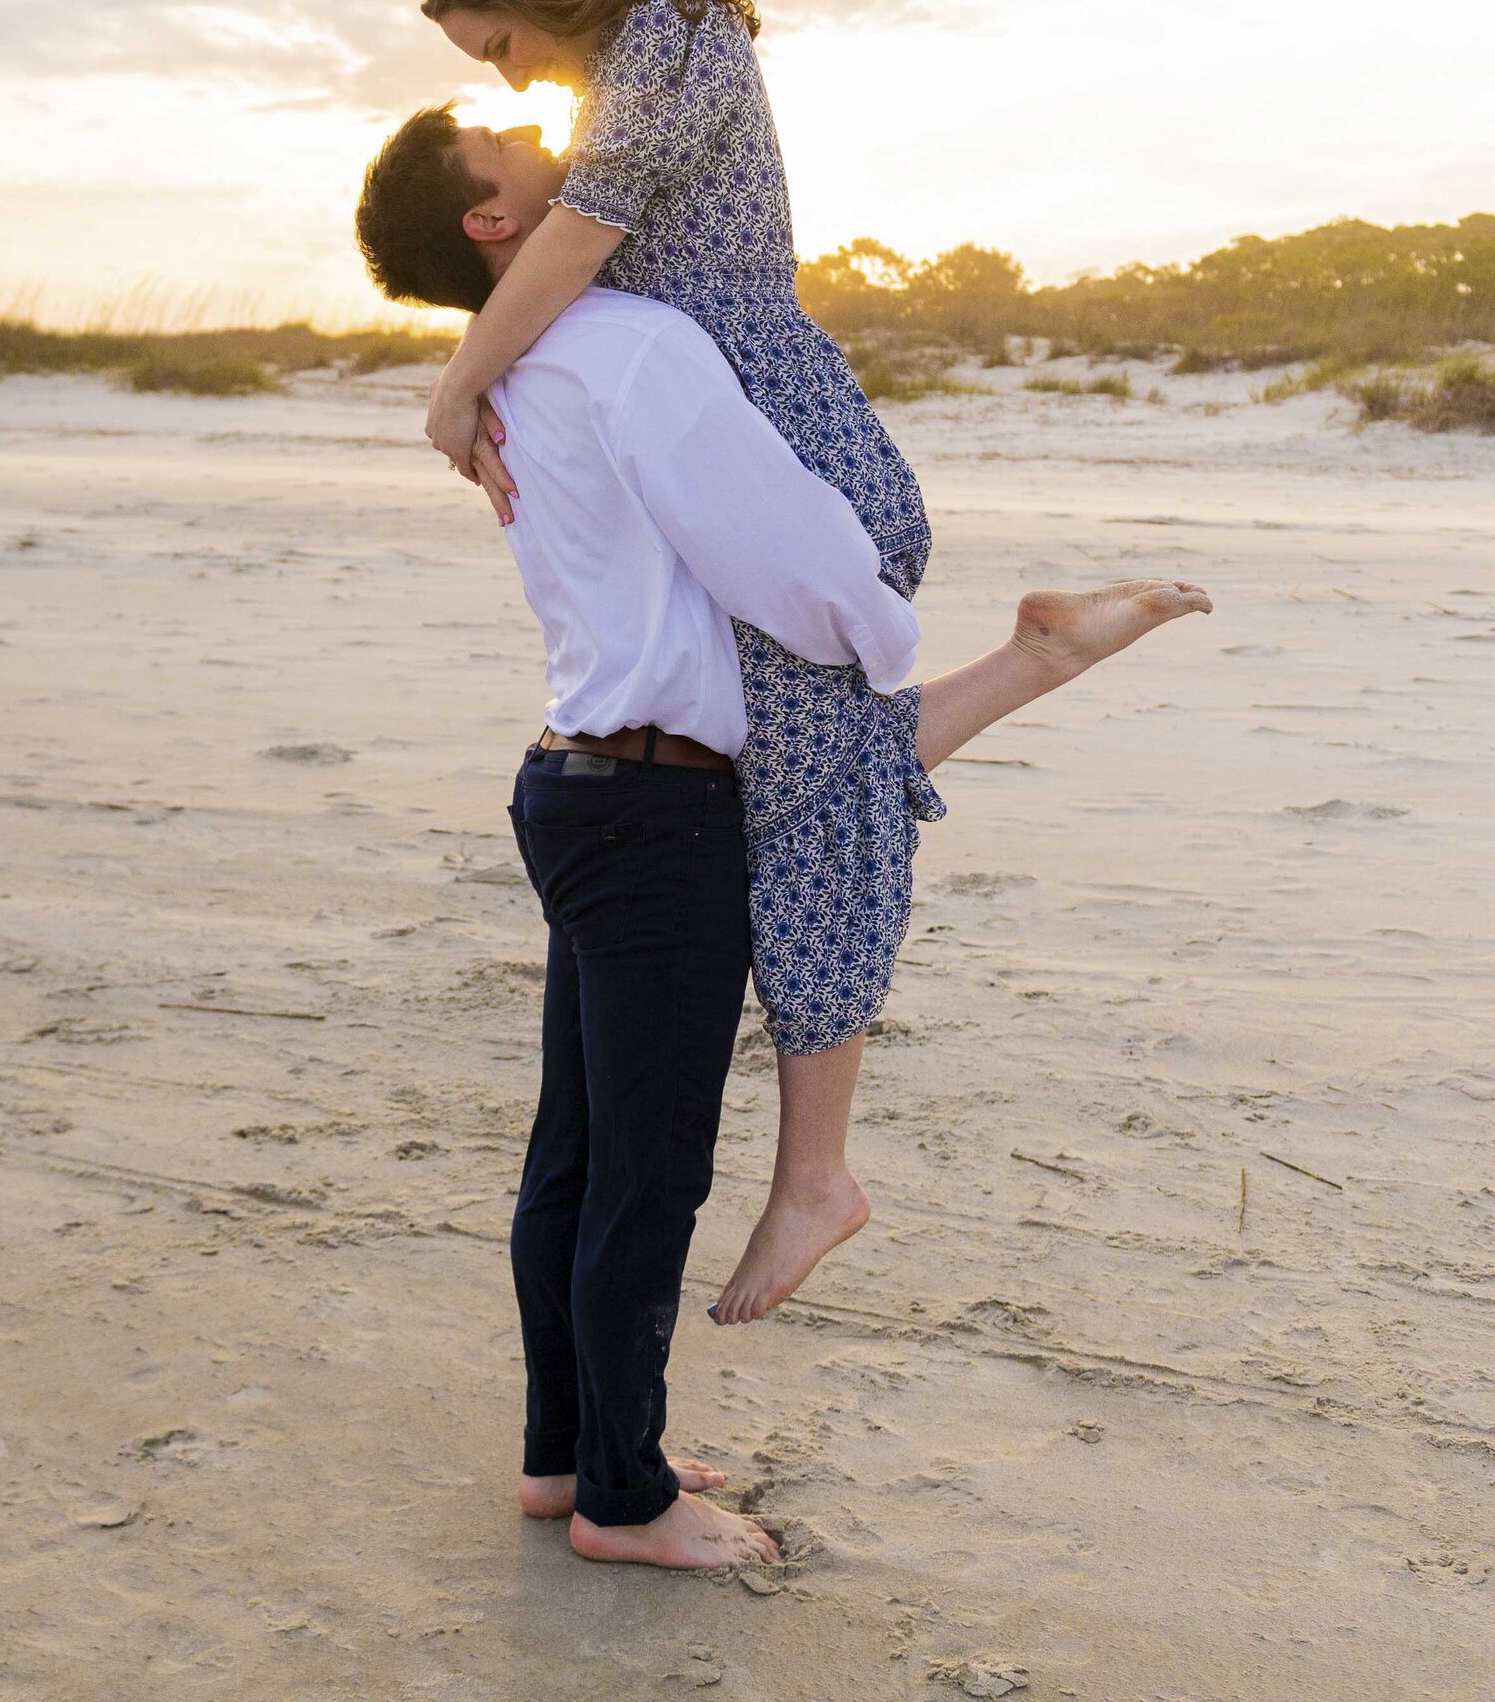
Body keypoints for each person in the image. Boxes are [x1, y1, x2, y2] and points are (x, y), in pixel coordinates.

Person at [354, 110, 1211, 1581]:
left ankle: (569, 1454)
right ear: (495, 223)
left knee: (575, 1156)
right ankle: (622, 1494)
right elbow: (789, 555)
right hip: (653, 808)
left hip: (580, 783)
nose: (533, 125)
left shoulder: (521, 371)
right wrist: (884, 632)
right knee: (644, 1173)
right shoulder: (622, 342)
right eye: (502, 138)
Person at [415, 0, 946, 1328]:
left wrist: (464, 378)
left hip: (772, 438)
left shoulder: (676, 35)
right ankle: (815, 1173)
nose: (511, 75)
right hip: (724, 440)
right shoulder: (627, 61)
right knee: (808, 783)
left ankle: (817, 1174)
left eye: (499, 41)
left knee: (810, 798)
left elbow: (581, 236)